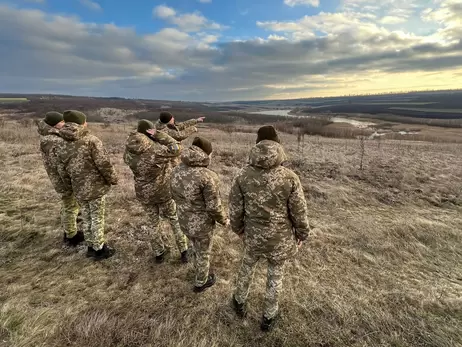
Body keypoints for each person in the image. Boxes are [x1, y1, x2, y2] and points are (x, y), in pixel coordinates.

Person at [228, 126, 310, 331]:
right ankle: (268, 317)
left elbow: (235, 209)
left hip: (253, 237)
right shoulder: (290, 177)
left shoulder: (242, 175)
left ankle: (238, 302)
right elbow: (299, 212)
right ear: (277, 144)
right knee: (275, 275)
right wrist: (302, 234)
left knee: (247, 267)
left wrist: (239, 230)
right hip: (280, 240)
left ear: (256, 145)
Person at [55, 110, 118, 260]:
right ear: (81, 123)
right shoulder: (91, 141)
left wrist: (68, 185)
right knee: (96, 217)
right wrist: (113, 178)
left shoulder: (60, 143)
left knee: (87, 216)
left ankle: (90, 245)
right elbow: (104, 164)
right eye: (85, 121)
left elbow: (61, 169)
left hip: (78, 187)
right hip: (95, 187)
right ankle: (99, 249)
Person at [124, 120, 189, 264]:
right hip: (163, 191)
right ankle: (184, 250)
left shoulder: (129, 150)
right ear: (150, 133)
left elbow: (126, 160)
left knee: (152, 223)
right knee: (174, 219)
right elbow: (177, 148)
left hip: (144, 192)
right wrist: (160, 135)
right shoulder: (155, 151)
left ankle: (159, 252)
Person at [171, 137, 229, 292]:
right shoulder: (208, 176)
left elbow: (173, 194)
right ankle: (201, 282)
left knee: (194, 244)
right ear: (206, 154)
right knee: (203, 253)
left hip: (183, 219)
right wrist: (224, 220)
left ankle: (194, 261)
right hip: (202, 225)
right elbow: (213, 207)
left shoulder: (177, 169)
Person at [37, 111, 84, 246]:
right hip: (63, 179)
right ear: (55, 124)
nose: (64, 124)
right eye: (62, 122)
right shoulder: (54, 140)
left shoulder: (48, 137)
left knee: (68, 204)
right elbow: (60, 164)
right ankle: (71, 236)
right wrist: (70, 181)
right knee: (70, 205)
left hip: (58, 177)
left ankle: (69, 228)